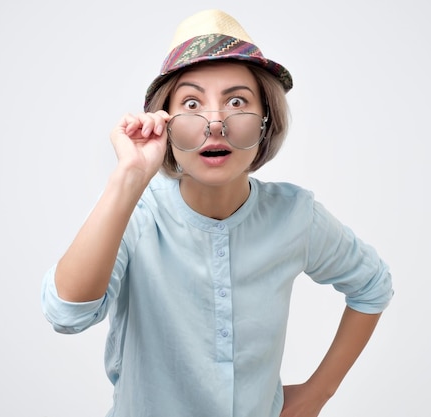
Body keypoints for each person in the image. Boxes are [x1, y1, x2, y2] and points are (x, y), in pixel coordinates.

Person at [41, 9, 393, 417]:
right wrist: (129, 178)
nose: (215, 122)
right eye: (192, 102)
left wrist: (318, 393)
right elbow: (66, 314)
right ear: (165, 122)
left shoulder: (295, 215)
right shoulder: (135, 212)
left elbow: (372, 285)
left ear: (265, 120)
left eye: (237, 101)